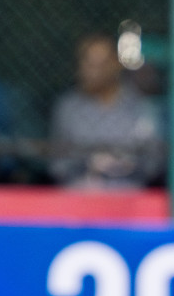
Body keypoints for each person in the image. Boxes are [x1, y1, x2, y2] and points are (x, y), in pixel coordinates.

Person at [49, 34, 163, 189]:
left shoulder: (140, 107)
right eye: (87, 63)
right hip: (80, 195)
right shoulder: (68, 108)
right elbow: (58, 165)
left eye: (100, 63)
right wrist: (88, 164)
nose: (91, 71)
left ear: (115, 64)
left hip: (130, 195)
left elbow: (154, 163)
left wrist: (128, 164)